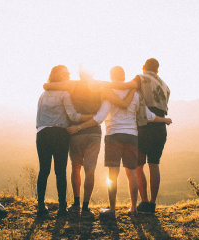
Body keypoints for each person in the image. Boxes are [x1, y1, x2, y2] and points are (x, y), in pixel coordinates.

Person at [67, 66, 172, 218]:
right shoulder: (135, 94)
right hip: (132, 136)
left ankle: (112, 209)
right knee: (132, 173)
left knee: (113, 174)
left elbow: (100, 117)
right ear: (124, 77)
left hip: (113, 136)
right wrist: (164, 120)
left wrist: (79, 127)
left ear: (111, 76)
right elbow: (148, 115)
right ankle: (134, 208)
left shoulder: (109, 93)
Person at [43, 65, 135, 218]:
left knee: (76, 167)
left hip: (75, 132)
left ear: (80, 74)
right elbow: (120, 94)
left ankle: (76, 204)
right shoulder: (102, 85)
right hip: (94, 133)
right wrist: (133, 87)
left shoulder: (73, 84)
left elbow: (47, 86)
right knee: (90, 170)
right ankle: (86, 208)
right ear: (92, 72)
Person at [108, 58, 171, 214]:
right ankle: (152, 204)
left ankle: (142, 202)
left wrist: (104, 86)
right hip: (160, 127)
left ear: (144, 67)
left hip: (144, 126)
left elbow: (126, 86)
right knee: (154, 164)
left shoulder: (140, 78)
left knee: (138, 165)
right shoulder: (165, 85)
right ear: (157, 70)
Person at [36, 65, 94, 217]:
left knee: (44, 170)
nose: (68, 75)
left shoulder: (43, 94)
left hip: (42, 133)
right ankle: (62, 207)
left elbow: (39, 117)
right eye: (65, 73)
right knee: (60, 171)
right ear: (59, 76)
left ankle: (41, 207)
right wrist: (92, 117)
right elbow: (73, 116)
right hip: (60, 134)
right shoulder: (65, 93)